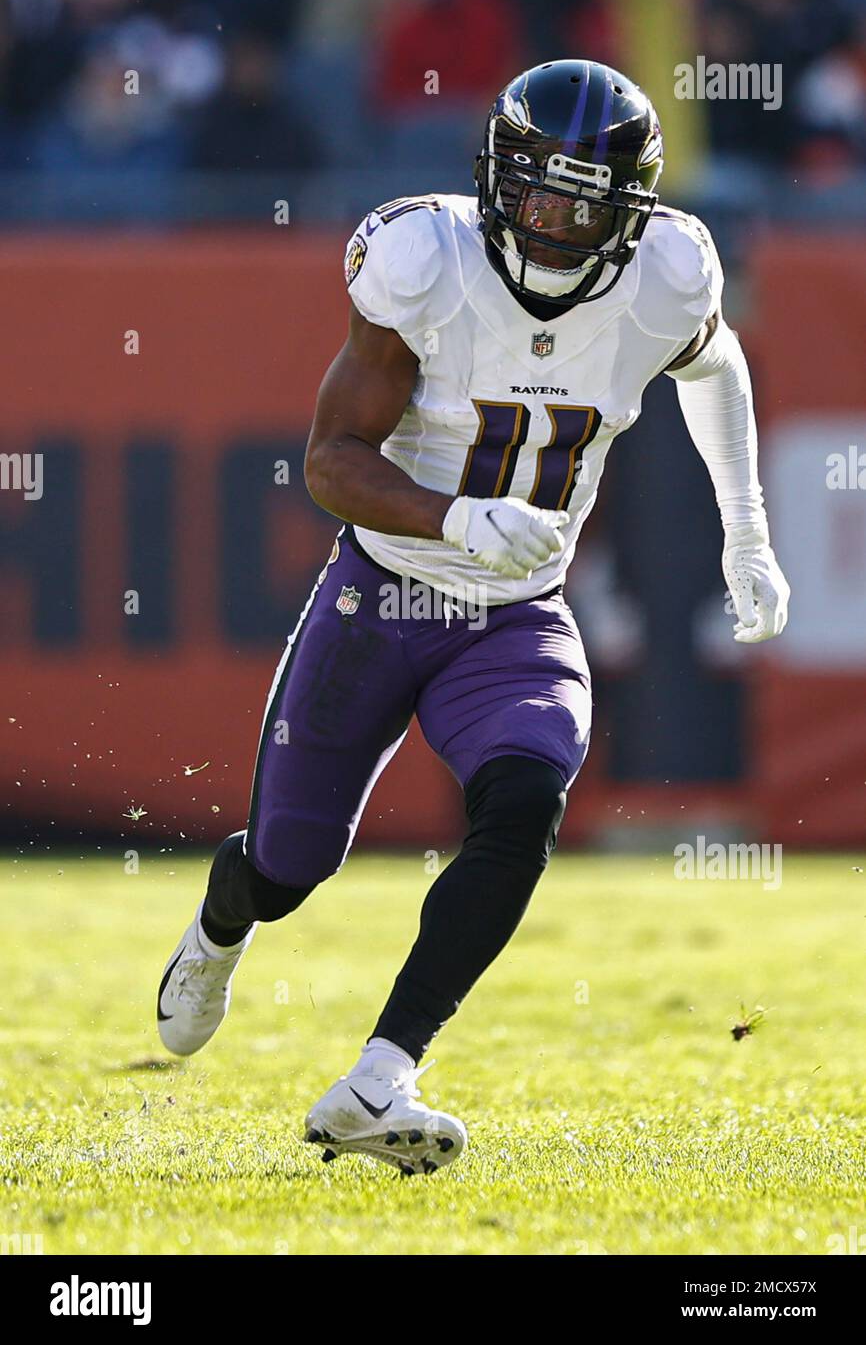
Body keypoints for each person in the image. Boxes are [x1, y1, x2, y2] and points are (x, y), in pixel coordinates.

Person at [156, 60, 789, 1176]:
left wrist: (745, 529)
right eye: (533, 192)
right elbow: (331, 461)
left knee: (524, 796)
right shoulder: (424, 261)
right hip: (383, 590)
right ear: (494, 178)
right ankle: (220, 926)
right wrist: (455, 517)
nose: (548, 219)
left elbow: (716, 360)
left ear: (626, 210)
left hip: (514, 615)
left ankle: (382, 1071)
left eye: (578, 201)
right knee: (291, 863)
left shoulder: (666, 275)